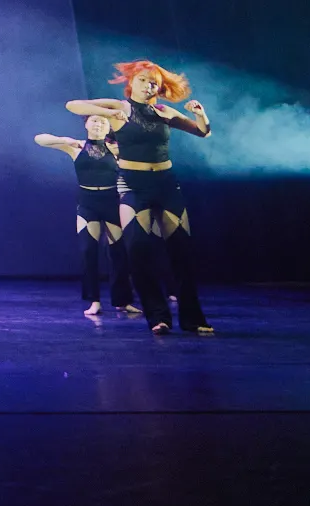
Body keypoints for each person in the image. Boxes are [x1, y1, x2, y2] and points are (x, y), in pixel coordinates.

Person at [66, 60, 215, 334]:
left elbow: (203, 132)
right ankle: (158, 317)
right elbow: (73, 105)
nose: (148, 85)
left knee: (182, 252)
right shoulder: (120, 108)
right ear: (131, 83)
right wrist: (109, 112)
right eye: (143, 80)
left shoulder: (164, 112)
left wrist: (200, 114)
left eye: (153, 82)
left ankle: (193, 320)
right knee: (138, 250)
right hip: (132, 186)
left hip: (166, 184)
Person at [34, 115, 137, 317]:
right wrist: (65, 140)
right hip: (88, 202)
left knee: (118, 252)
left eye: (103, 122)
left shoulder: (116, 149)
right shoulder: (77, 147)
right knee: (88, 250)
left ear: (109, 128)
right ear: (86, 124)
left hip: (111, 201)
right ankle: (94, 301)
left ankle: (122, 301)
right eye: (95, 120)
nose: (98, 124)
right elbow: (40, 139)